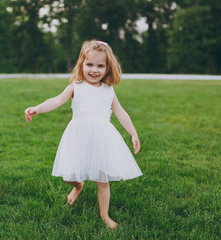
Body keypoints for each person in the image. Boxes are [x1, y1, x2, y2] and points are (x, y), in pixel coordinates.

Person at [25, 40, 142, 229]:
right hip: (78, 137)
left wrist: (133, 133)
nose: (94, 70)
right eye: (89, 64)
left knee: (102, 180)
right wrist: (38, 108)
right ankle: (78, 185)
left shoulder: (108, 91)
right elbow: (56, 101)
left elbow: (121, 113)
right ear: (82, 64)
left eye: (100, 66)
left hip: (102, 139)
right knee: (68, 175)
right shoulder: (75, 86)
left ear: (107, 68)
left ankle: (104, 215)